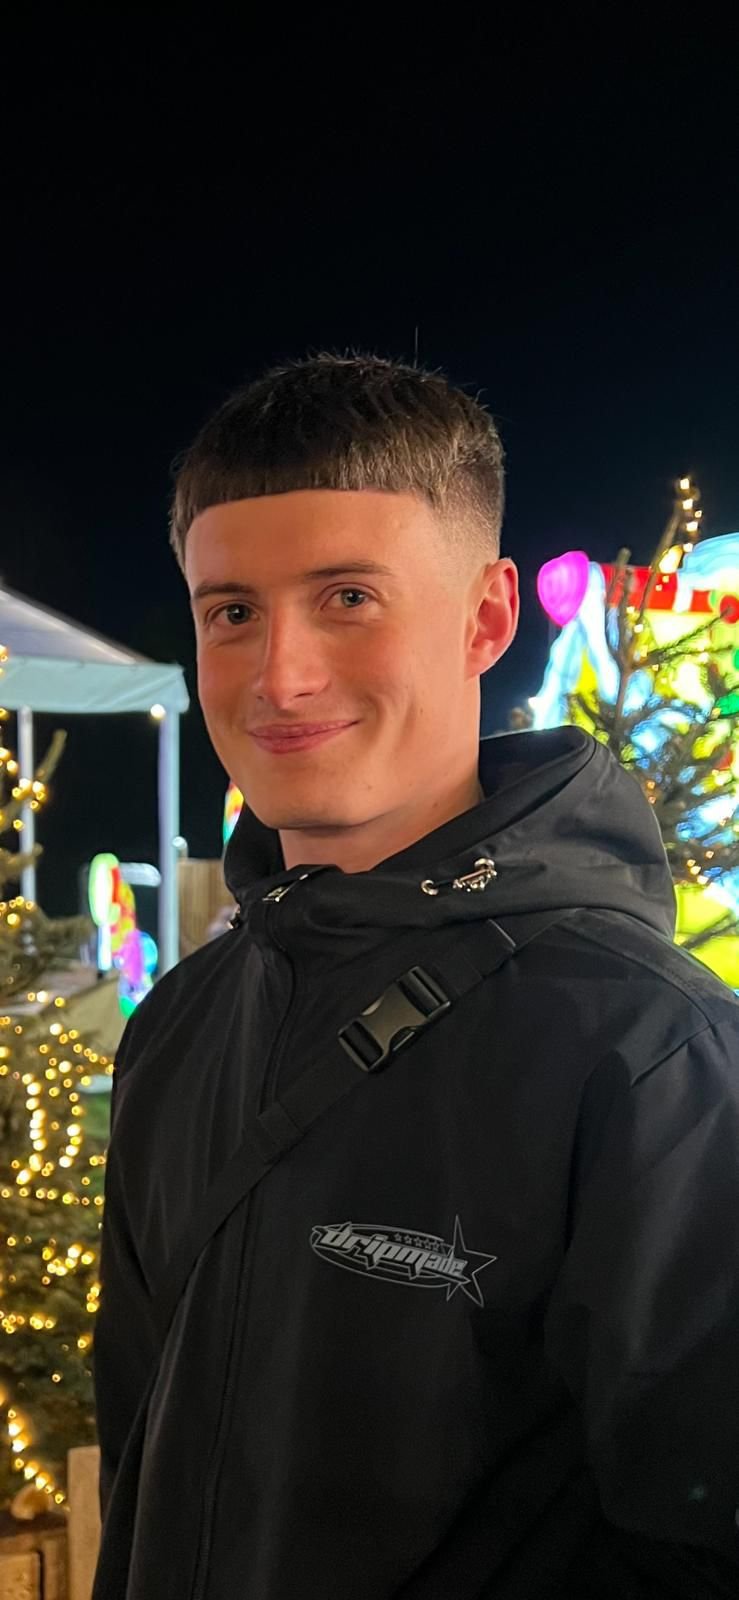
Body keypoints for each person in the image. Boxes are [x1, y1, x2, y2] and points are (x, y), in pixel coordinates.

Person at [93, 354, 739, 1599]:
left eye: (346, 597)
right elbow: (143, 1452)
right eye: (232, 611)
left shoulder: (650, 1050)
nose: (279, 675)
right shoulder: (179, 1022)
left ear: (487, 618)